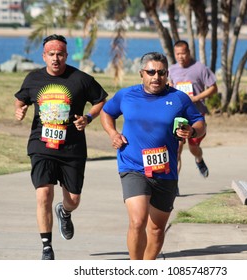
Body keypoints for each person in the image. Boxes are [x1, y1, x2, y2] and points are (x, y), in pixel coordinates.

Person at [100, 52, 206, 260]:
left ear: (167, 74)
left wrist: (191, 131)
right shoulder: (126, 95)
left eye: (161, 72)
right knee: (138, 221)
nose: (156, 77)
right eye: (151, 72)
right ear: (141, 73)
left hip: (164, 171)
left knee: (156, 229)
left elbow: (200, 123)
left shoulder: (178, 98)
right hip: (132, 166)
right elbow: (107, 112)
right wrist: (113, 133)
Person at [14, 34, 108, 260]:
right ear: (44, 56)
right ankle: (47, 246)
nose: (56, 58)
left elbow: (101, 100)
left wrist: (88, 118)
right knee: (44, 193)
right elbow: (21, 99)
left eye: (60, 54)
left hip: (72, 148)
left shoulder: (81, 79)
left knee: (73, 199)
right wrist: (20, 110)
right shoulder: (33, 78)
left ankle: (64, 212)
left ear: (66, 55)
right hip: (41, 144)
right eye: (51, 54)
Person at [168, 40, 218, 182]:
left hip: (196, 114)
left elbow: (213, 88)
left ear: (188, 52)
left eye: (183, 53)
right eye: (177, 54)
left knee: (193, 147)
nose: (180, 57)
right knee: (177, 149)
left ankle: (199, 159)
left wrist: (195, 98)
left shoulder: (200, 68)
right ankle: (174, 185)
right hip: (178, 115)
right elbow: (170, 86)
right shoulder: (172, 70)